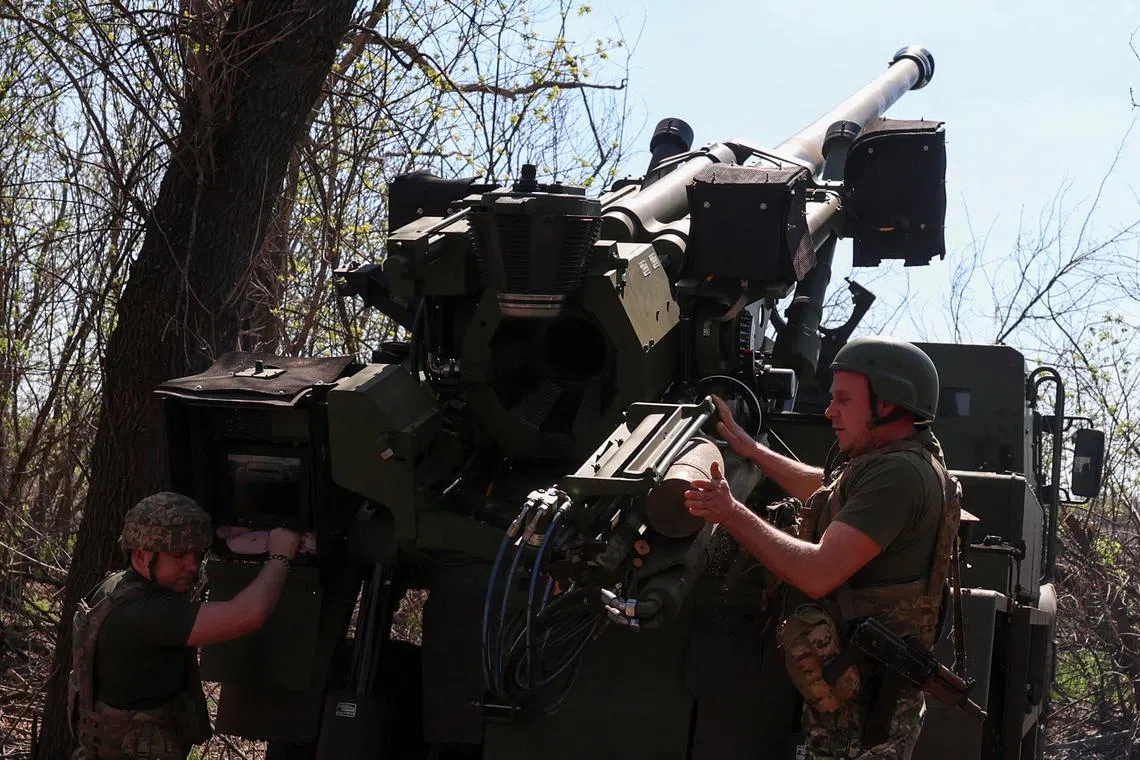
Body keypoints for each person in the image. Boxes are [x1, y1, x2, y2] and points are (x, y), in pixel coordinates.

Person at [684, 336, 959, 759]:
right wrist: (752, 449)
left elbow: (817, 574)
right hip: (855, 693)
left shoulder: (898, 476)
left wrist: (730, 512)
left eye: (844, 400)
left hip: (863, 716)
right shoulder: (898, 458)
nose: (830, 411)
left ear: (887, 405)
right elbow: (827, 491)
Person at [68, 492, 304, 759]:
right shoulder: (145, 614)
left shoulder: (115, 588)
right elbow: (250, 614)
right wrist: (281, 555)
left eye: (197, 554)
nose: (192, 565)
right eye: (179, 555)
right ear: (142, 556)